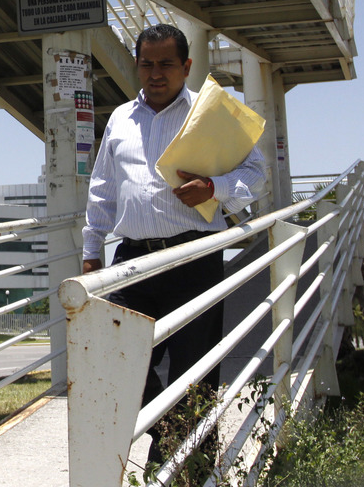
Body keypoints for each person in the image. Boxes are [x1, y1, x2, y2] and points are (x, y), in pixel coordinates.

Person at [81, 23, 266, 466]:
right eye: (147, 63)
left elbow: (256, 175)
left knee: (194, 368)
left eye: (166, 64)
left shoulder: (211, 113)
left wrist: (215, 188)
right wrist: (92, 251)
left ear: (186, 67)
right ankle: (169, 430)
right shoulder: (121, 119)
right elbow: (102, 189)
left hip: (193, 258)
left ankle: (190, 466)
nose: (155, 73)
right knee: (118, 361)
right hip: (132, 262)